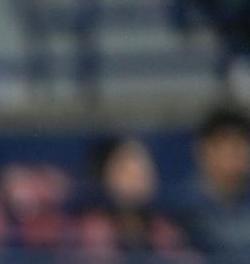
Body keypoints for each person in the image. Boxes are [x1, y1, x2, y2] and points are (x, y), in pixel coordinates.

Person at [71, 137, 187, 252]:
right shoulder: (91, 233)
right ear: (104, 175)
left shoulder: (165, 232)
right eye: (126, 169)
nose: (138, 176)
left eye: (143, 166)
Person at [169, 107, 250, 253]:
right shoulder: (180, 206)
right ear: (204, 148)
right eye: (227, 142)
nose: (238, 151)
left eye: (243, 142)